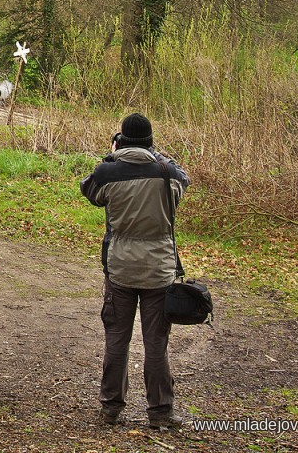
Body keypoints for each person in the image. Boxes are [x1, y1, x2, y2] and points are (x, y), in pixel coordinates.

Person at [80, 113, 190, 430]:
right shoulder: (168, 173)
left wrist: (112, 155)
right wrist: (157, 155)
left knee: (117, 339)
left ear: (122, 140)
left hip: (120, 267)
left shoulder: (108, 172)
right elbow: (183, 179)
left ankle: (110, 408)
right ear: (151, 142)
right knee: (156, 343)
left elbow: (89, 191)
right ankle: (160, 413)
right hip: (159, 267)